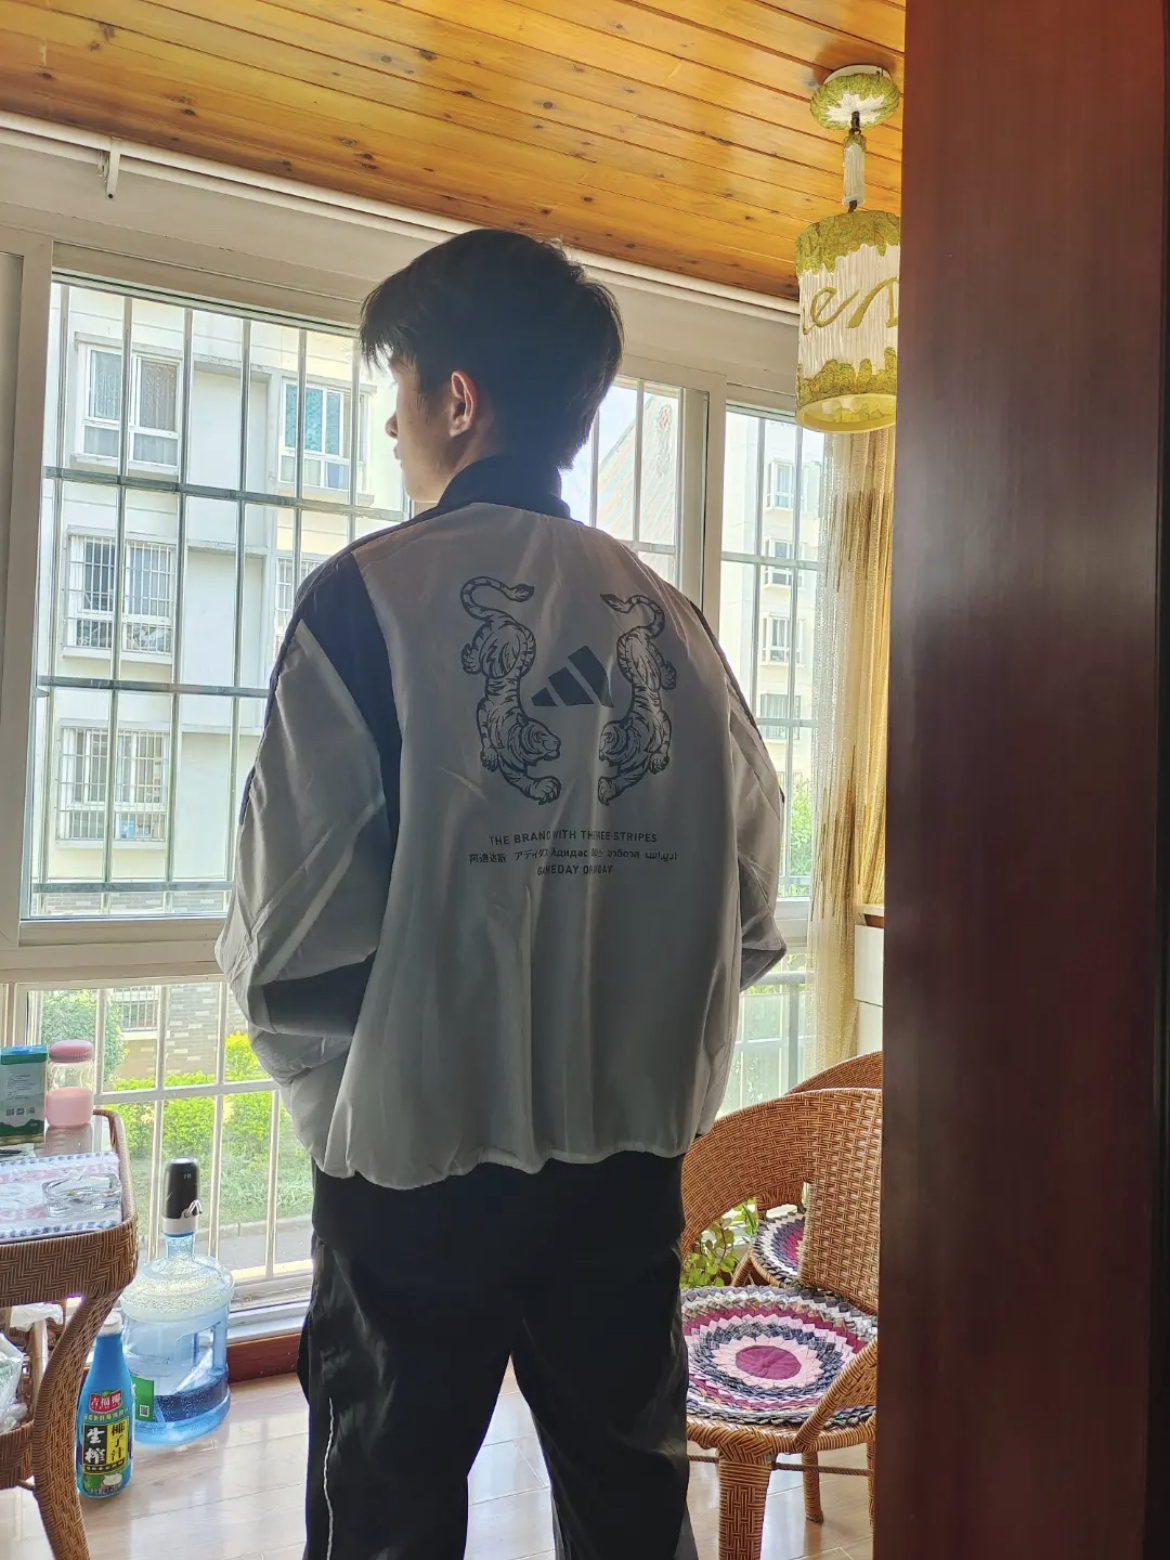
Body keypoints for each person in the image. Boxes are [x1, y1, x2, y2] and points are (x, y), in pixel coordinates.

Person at [217, 228, 785, 1560]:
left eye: (399, 391)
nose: (393, 425)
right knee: (629, 1507)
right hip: (625, 1174)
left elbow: (287, 941)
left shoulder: (361, 603)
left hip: (414, 1174)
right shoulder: (677, 626)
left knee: (388, 1514)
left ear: (457, 398)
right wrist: (626, 1033)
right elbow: (754, 912)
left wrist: (375, 1093)